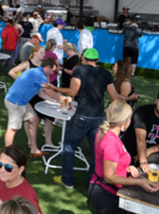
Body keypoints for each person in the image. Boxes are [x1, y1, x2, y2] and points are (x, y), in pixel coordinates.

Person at [46, 48, 137, 189]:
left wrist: (54, 88)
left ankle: (67, 180)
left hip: (81, 116)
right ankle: (92, 181)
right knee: (97, 151)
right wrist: (129, 98)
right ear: (97, 59)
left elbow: (73, 91)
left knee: (69, 147)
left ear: (83, 58)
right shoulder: (106, 73)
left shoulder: (79, 70)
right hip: (99, 118)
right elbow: (114, 97)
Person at [3, 57, 64, 157]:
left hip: (21, 101)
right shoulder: (40, 76)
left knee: (35, 119)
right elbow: (51, 93)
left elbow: (40, 93)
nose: (52, 73)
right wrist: (64, 99)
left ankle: (34, 149)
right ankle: (7, 155)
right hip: (16, 102)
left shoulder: (35, 71)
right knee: (13, 129)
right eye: (52, 70)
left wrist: (55, 101)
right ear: (47, 67)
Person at [122, 88, 159, 173]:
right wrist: (143, 161)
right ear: (156, 100)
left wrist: (149, 151)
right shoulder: (142, 112)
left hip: (151, 156)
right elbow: (140, 138)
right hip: (127, 154)